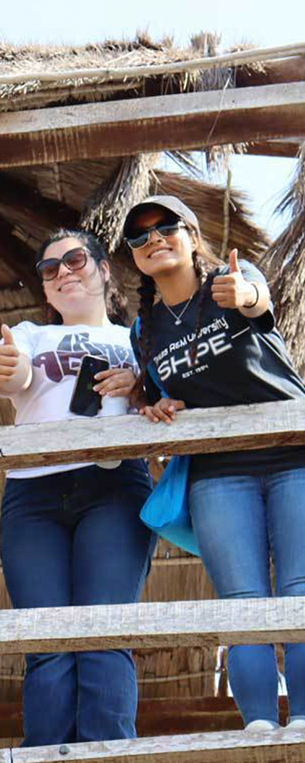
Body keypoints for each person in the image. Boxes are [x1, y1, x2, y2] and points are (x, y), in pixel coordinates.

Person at [125, 194, 305, 733]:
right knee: (242, 601)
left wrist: (245, 293)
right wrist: (154, 404)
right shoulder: (143, 331)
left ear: (192, 235)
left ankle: (303, 717)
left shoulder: (232, 279)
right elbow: (161, 396)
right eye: (140, 236)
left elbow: (258, 302)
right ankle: (257, 722)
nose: (154, 239)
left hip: (293, 456)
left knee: (300, 591)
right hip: (218, 473)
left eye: (166, 228)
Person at [0, 230, 155, 747]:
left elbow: (171, 403)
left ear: (105, 270)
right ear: (44, 290)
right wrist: (8, 371)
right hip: (33, 492)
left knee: (104, 633)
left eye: (75, 259)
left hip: (114, 486)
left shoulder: (141, 339)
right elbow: (9, 381)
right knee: (47, 641)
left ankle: (109, 758)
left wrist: (141, 384)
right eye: (49, 268)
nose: (63, 271)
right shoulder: (28, 333)